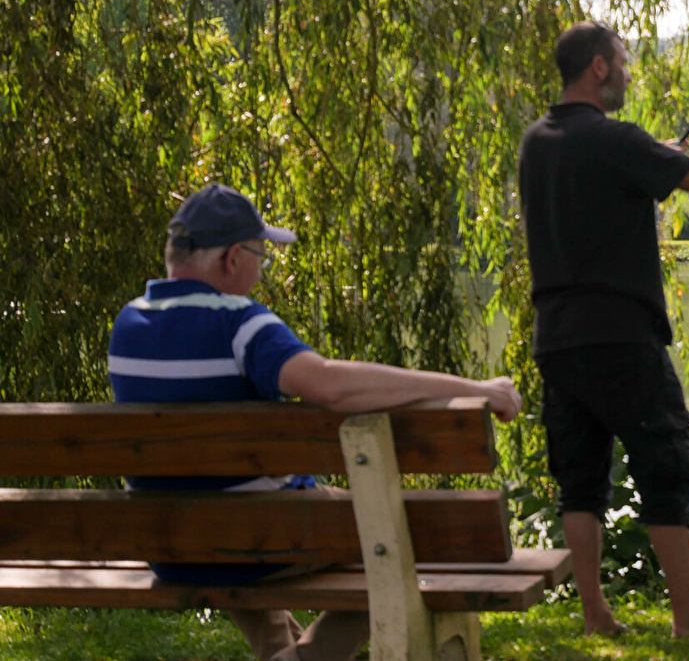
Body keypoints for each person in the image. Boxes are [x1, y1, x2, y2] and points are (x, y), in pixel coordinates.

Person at [108, 183, 524, 661]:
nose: (261, 271)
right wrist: (472, 388)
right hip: (257, 541)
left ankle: (280, 650)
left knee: (238, 508)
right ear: (231, 258)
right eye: (261, 256)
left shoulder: (128, 325)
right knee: (405, 531)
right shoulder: (240, 324)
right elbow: (330, 386)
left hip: (170, 548)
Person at [518, 20, 689, 638]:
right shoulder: (615, 139)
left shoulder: (536, 142)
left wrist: (652, 156)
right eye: (621, 62)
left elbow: (598, 187)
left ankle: (595, 613)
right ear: (598, 67)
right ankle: (688, 616)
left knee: (579, 481)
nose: (626, 73)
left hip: (558, 338)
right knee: (666, 466)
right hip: (622, 336)